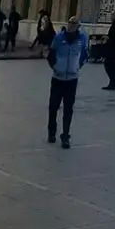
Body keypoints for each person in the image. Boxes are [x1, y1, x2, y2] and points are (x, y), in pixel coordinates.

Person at [47, 17, 89, 149]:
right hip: (58, 78)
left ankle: (65, 135)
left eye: (74, 24)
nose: (71, 26)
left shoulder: (82, 38)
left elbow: (84, 54)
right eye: (70, 23)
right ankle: (51, 131)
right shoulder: (59, 37)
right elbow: (51, 53)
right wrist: (55, 67)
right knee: (53, 106)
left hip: (72, 78)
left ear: (78, 26)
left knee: (68, 108)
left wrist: (77, 67)